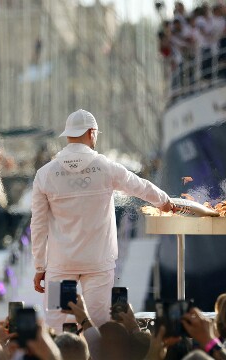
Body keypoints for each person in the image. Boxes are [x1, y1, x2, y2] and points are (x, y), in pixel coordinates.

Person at [31, 109, 175, 333]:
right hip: (98, 261)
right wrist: (165, 201)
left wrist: (40, 265)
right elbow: (139, 186)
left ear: (68, 135)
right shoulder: (106, 167)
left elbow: (38, 225)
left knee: (58, 327)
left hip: (61, 262)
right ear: (91, 133)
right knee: (99, 327)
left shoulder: (46, 174)